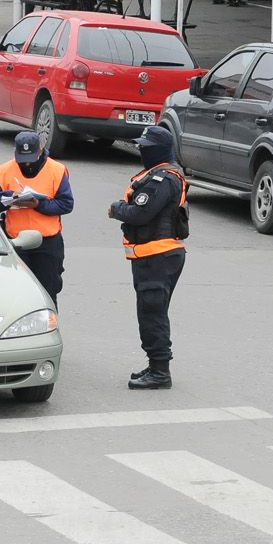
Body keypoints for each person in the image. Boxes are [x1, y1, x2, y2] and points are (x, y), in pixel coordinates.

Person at [108, 125, 189, 391]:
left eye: (145, 147)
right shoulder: (159, 175)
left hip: (158, 255)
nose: (141, 150)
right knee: (152, 312)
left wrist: (117, 209)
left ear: (158, 150)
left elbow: (140, 213)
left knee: (152, 313)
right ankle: (155, 364)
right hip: (154, 255)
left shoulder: (162, 179)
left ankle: (160, 371)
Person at [0, 132, 74, 305]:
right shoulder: (5, 170)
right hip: (16, 243)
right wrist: (9, 197)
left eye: (31, 159)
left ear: (40, 151)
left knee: (47, 294)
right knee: (15, 295)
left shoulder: (57, 170)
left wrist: (38, 205)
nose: (26, 164)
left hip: (47, 244)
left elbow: (65, 204)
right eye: (22, 160)